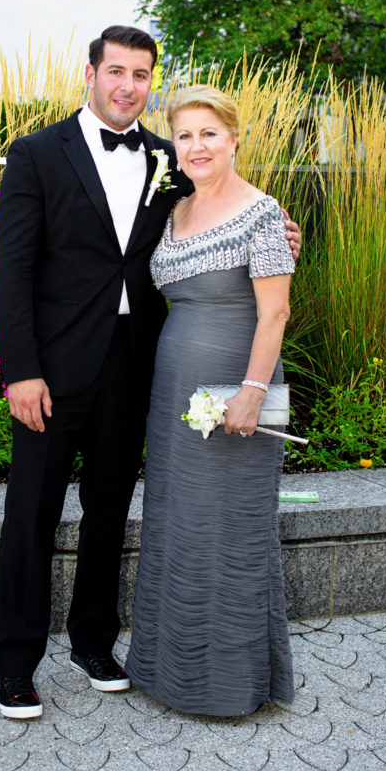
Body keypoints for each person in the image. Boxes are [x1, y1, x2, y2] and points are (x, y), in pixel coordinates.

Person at [0, 26, 301, 719]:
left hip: (138, 368)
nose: (128, 86)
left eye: (140, 75)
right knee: (31, 516)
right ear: (93, 74)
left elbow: (228, 224)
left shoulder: (170, 158)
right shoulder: (37, 154)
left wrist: (281, 240)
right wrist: (21, 371)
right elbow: (9, 270)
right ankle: (14, 664)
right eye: (116, 72)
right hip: (53, 370)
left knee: (109, 512)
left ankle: (94, 643)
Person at [125, 84, 295, 716]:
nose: (196, 146)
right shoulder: (173, 209)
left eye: (209, 134)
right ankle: (169, 672)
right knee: (177, 520)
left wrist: (252, 394)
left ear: (234, 138)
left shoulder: (263, 212)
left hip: (235, 388)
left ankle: (228, 685)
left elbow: (275, 313)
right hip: (174, 389)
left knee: (229, 526)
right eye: (185, 135)